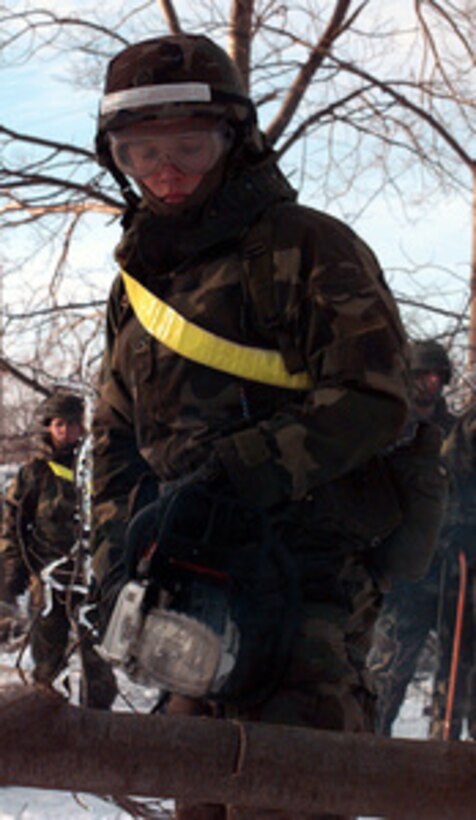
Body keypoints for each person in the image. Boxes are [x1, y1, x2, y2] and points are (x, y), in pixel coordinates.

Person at [89, 34, 446, 819]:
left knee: (288, 788)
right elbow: (113, 433)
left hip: (305, 574)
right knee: (203, 791)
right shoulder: (140, 282)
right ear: (116, 156)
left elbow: (377, 398)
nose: (167, 172)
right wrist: (117, 547)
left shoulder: (307, 246)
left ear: (234, 139)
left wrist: (238, 472)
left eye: (189, 145)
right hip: (189, 577)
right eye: (142, 154)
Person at [0, 389, 117, 709]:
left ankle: (97, 727)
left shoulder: (98, 469)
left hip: (93, 580)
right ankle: (50, 726)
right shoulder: (33, 474)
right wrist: (14, 571)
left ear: (83, 427)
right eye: (59, 425)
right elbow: (11, 527)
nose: (66, 432)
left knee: (99, 661)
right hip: (48, 582)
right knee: (48, 665)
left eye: (73, 425)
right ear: (48, 427)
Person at [368, 340, 456, 735]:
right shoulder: (387, 428)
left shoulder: (456, 436)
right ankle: (371, 751)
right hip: (402, 574)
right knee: (386, 675)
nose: (431, 383)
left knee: (456, 677)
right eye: (423, 375)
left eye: (438, 376)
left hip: (453, 572)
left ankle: (445, 754)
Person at [429, 403, 476, 740]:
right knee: (455, 657)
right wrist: (457, 531)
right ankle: (444, 740)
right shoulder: (469, 429)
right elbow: (447, 481)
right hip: (467, 562)